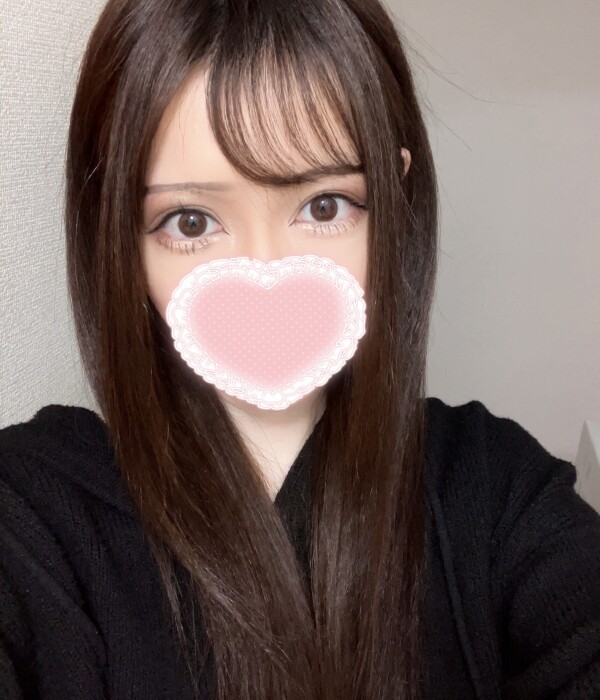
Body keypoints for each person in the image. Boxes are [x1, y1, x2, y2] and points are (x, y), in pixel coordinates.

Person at [0, 0, 598, 698]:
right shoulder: (36, 511)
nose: (268, 272)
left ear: (394, 204)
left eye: (323, 207)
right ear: (119, 241)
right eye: (189, 222)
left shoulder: (497, 488)